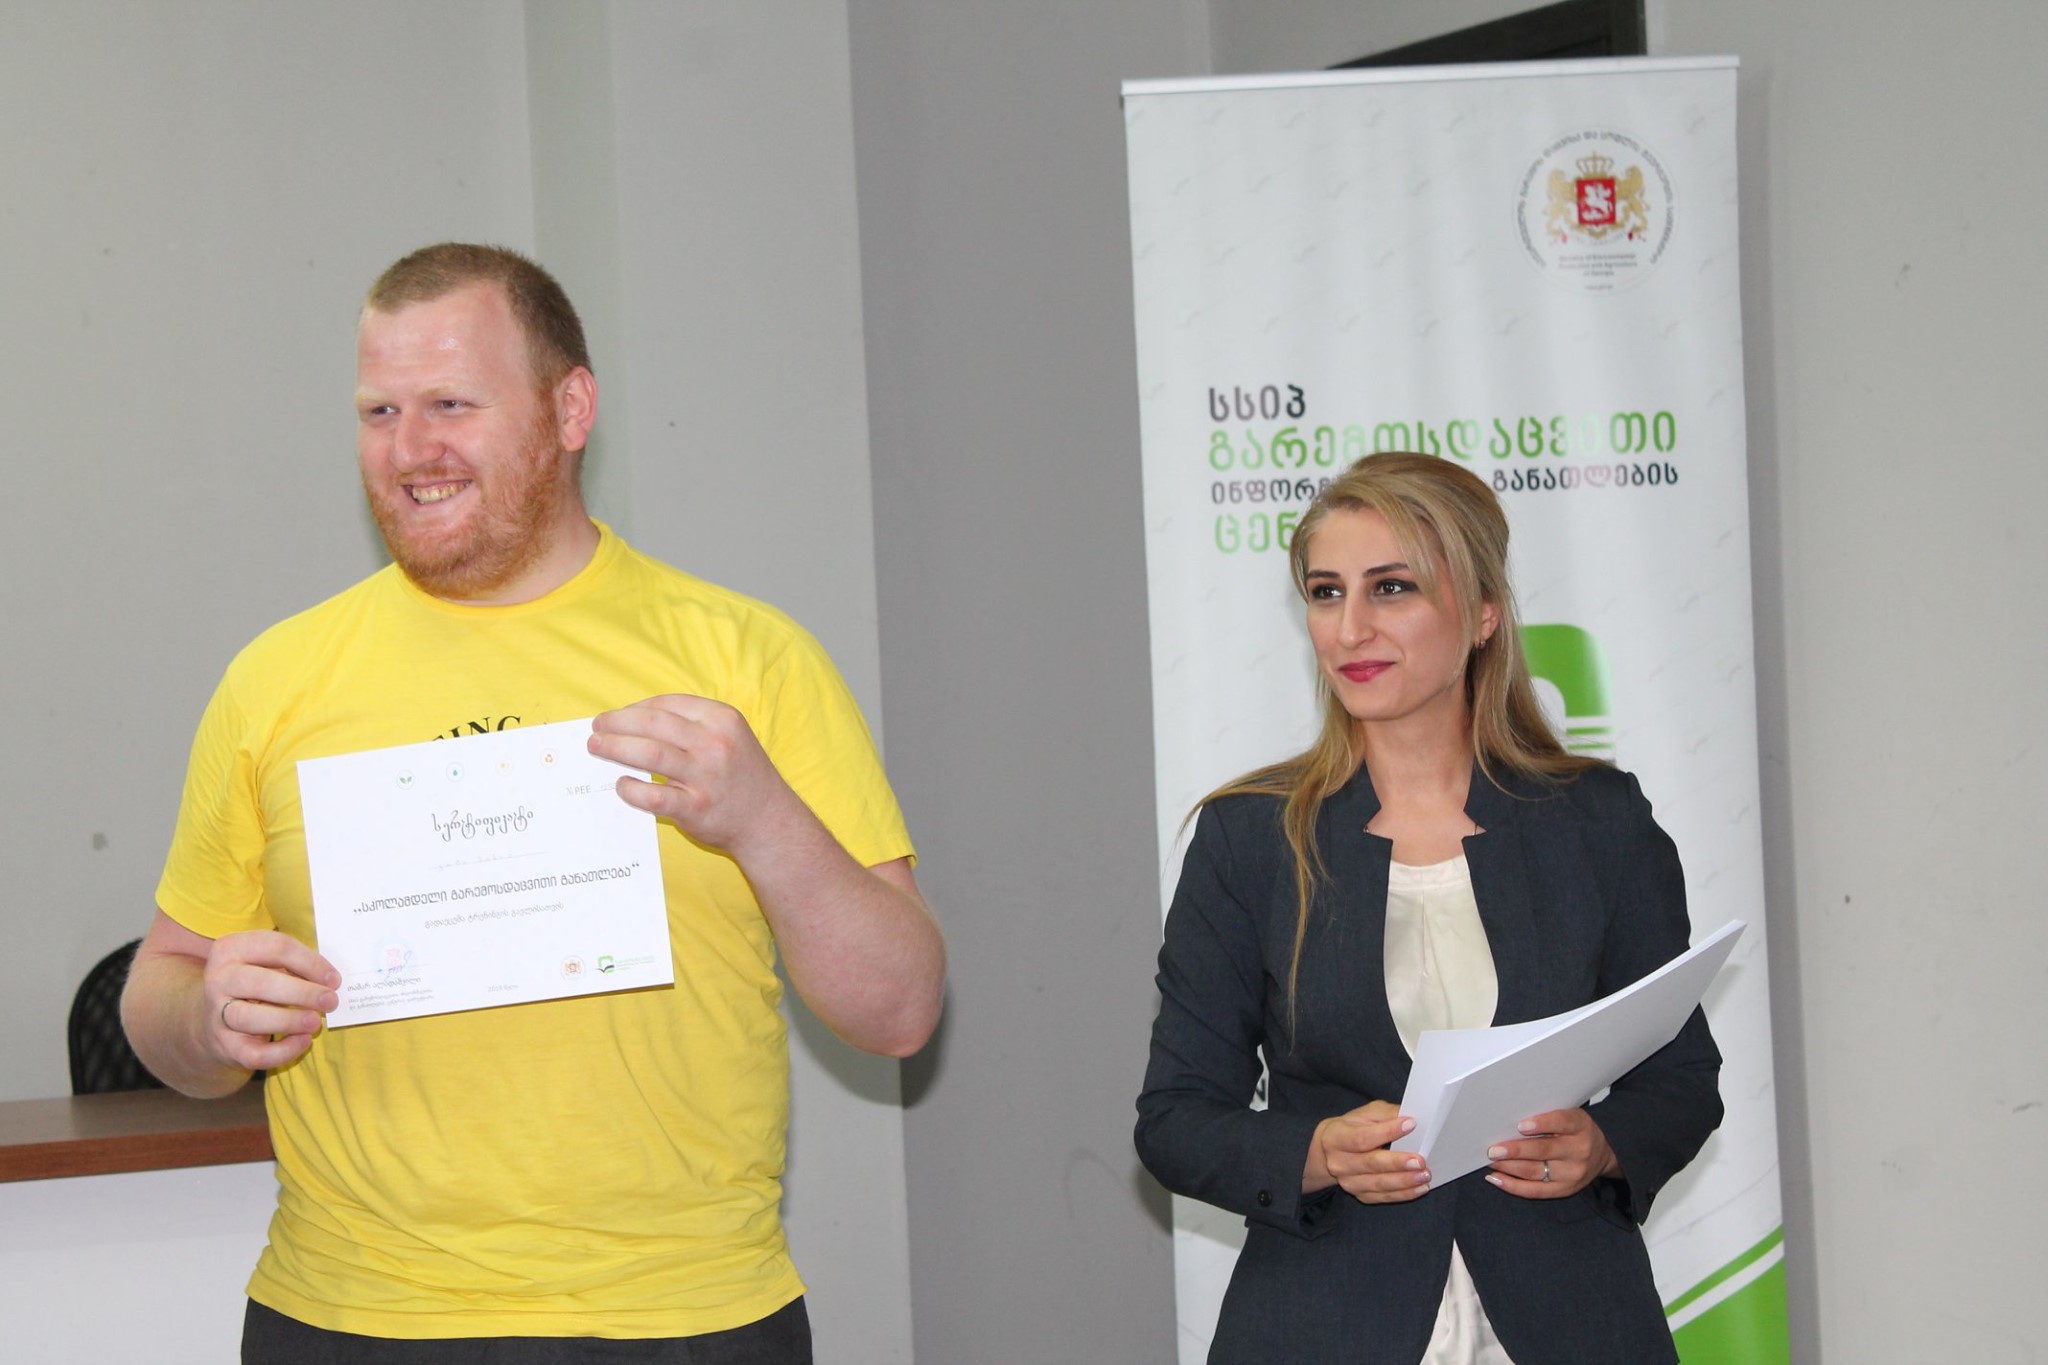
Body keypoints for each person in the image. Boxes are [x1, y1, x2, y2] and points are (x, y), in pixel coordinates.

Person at [120, 243, 944, 1362]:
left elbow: (899, 1012)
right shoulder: (276, 679)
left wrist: (763, 819)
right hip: (352, 1314)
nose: (410, 449)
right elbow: (161, 989)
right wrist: (206, 1019)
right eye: (379, 411)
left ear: (570, 409)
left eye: (451, 404)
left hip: (681, 1314)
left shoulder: (744, 661)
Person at [1134, 452, 1722, 1365]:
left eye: (1392, 587)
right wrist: (1317, 1151)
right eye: (1326, 592)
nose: (1351, 627)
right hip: (1323, 1327)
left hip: (1569, 1320)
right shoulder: (1250, 837)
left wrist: (1603, 1143)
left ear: (1483, 612)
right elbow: (1175, 1120)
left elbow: (1682, 1080)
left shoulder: (1598, 821)